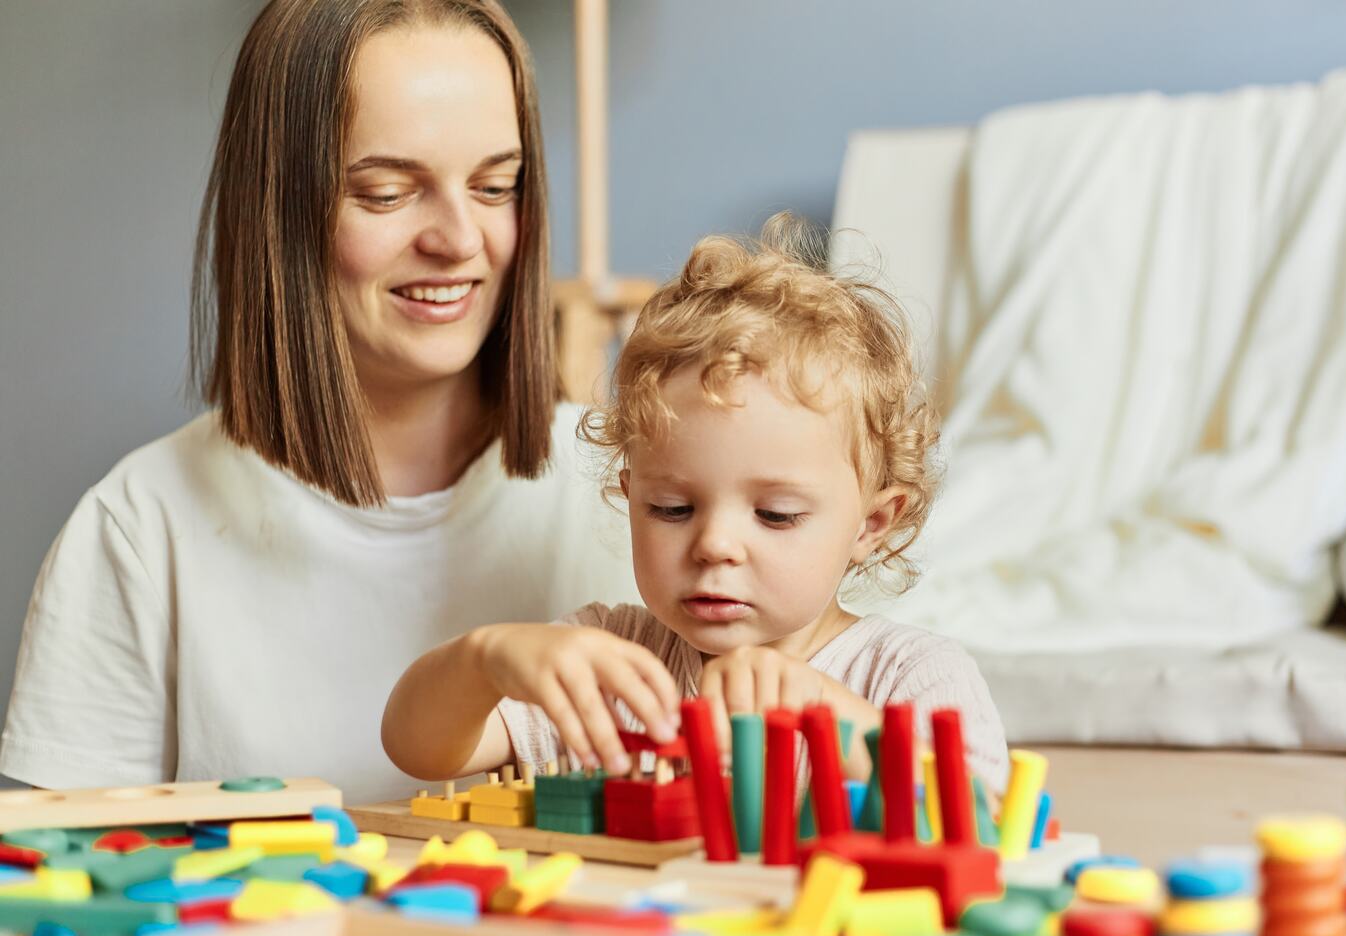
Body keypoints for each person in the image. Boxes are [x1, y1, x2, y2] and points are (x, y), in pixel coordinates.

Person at [0, 0, 639, 806]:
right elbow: (70, 895)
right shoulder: (138, 529)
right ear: (280, 212)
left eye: (494, 185)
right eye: (385, 193)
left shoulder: (638, 495)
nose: (459, 239)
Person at [383, 215, 1010, 791]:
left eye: (775, 515)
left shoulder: (908, 677)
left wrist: (832, 719)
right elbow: (419, 749)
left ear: (871, 523)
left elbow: (981, 823)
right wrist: (484, 660)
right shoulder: (610, 661)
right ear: (631, 499)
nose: (714, 544)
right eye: (672, 509)